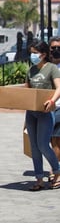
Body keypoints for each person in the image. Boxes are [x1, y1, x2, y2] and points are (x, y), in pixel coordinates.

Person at [25, 41, 60, 191]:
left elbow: (59, 87)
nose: (33, 55)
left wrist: (52, 100)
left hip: (46, 113)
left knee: (43, 144)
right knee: (34, 147)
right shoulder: (31, 70)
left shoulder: (52, 68)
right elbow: (26, 92)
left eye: (35, 52)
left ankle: (57, 171)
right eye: (31, 52)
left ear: (43, 54)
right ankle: (39, 178)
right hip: (31, 113)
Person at [49, 37, 60, 176]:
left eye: (59, 47)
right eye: (53, 48)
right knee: (52, 141)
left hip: (59, 107)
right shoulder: (47, 67)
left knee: (56, 140)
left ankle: (55, 171)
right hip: (48, 109)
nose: (56, 50)